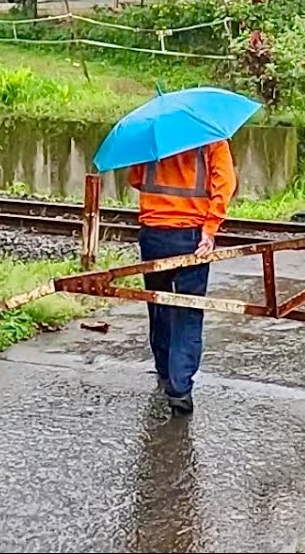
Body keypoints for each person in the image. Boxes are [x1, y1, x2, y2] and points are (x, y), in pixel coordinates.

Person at [127, 141, 237, 415]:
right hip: (192, 235)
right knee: (188, 311)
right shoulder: (212, 138)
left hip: (153, 232)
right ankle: (180, 390)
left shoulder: (150, 136)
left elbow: (135, 179)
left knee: (158, 304)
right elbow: (225, 185)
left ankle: (165, 371)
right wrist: (210, 230)